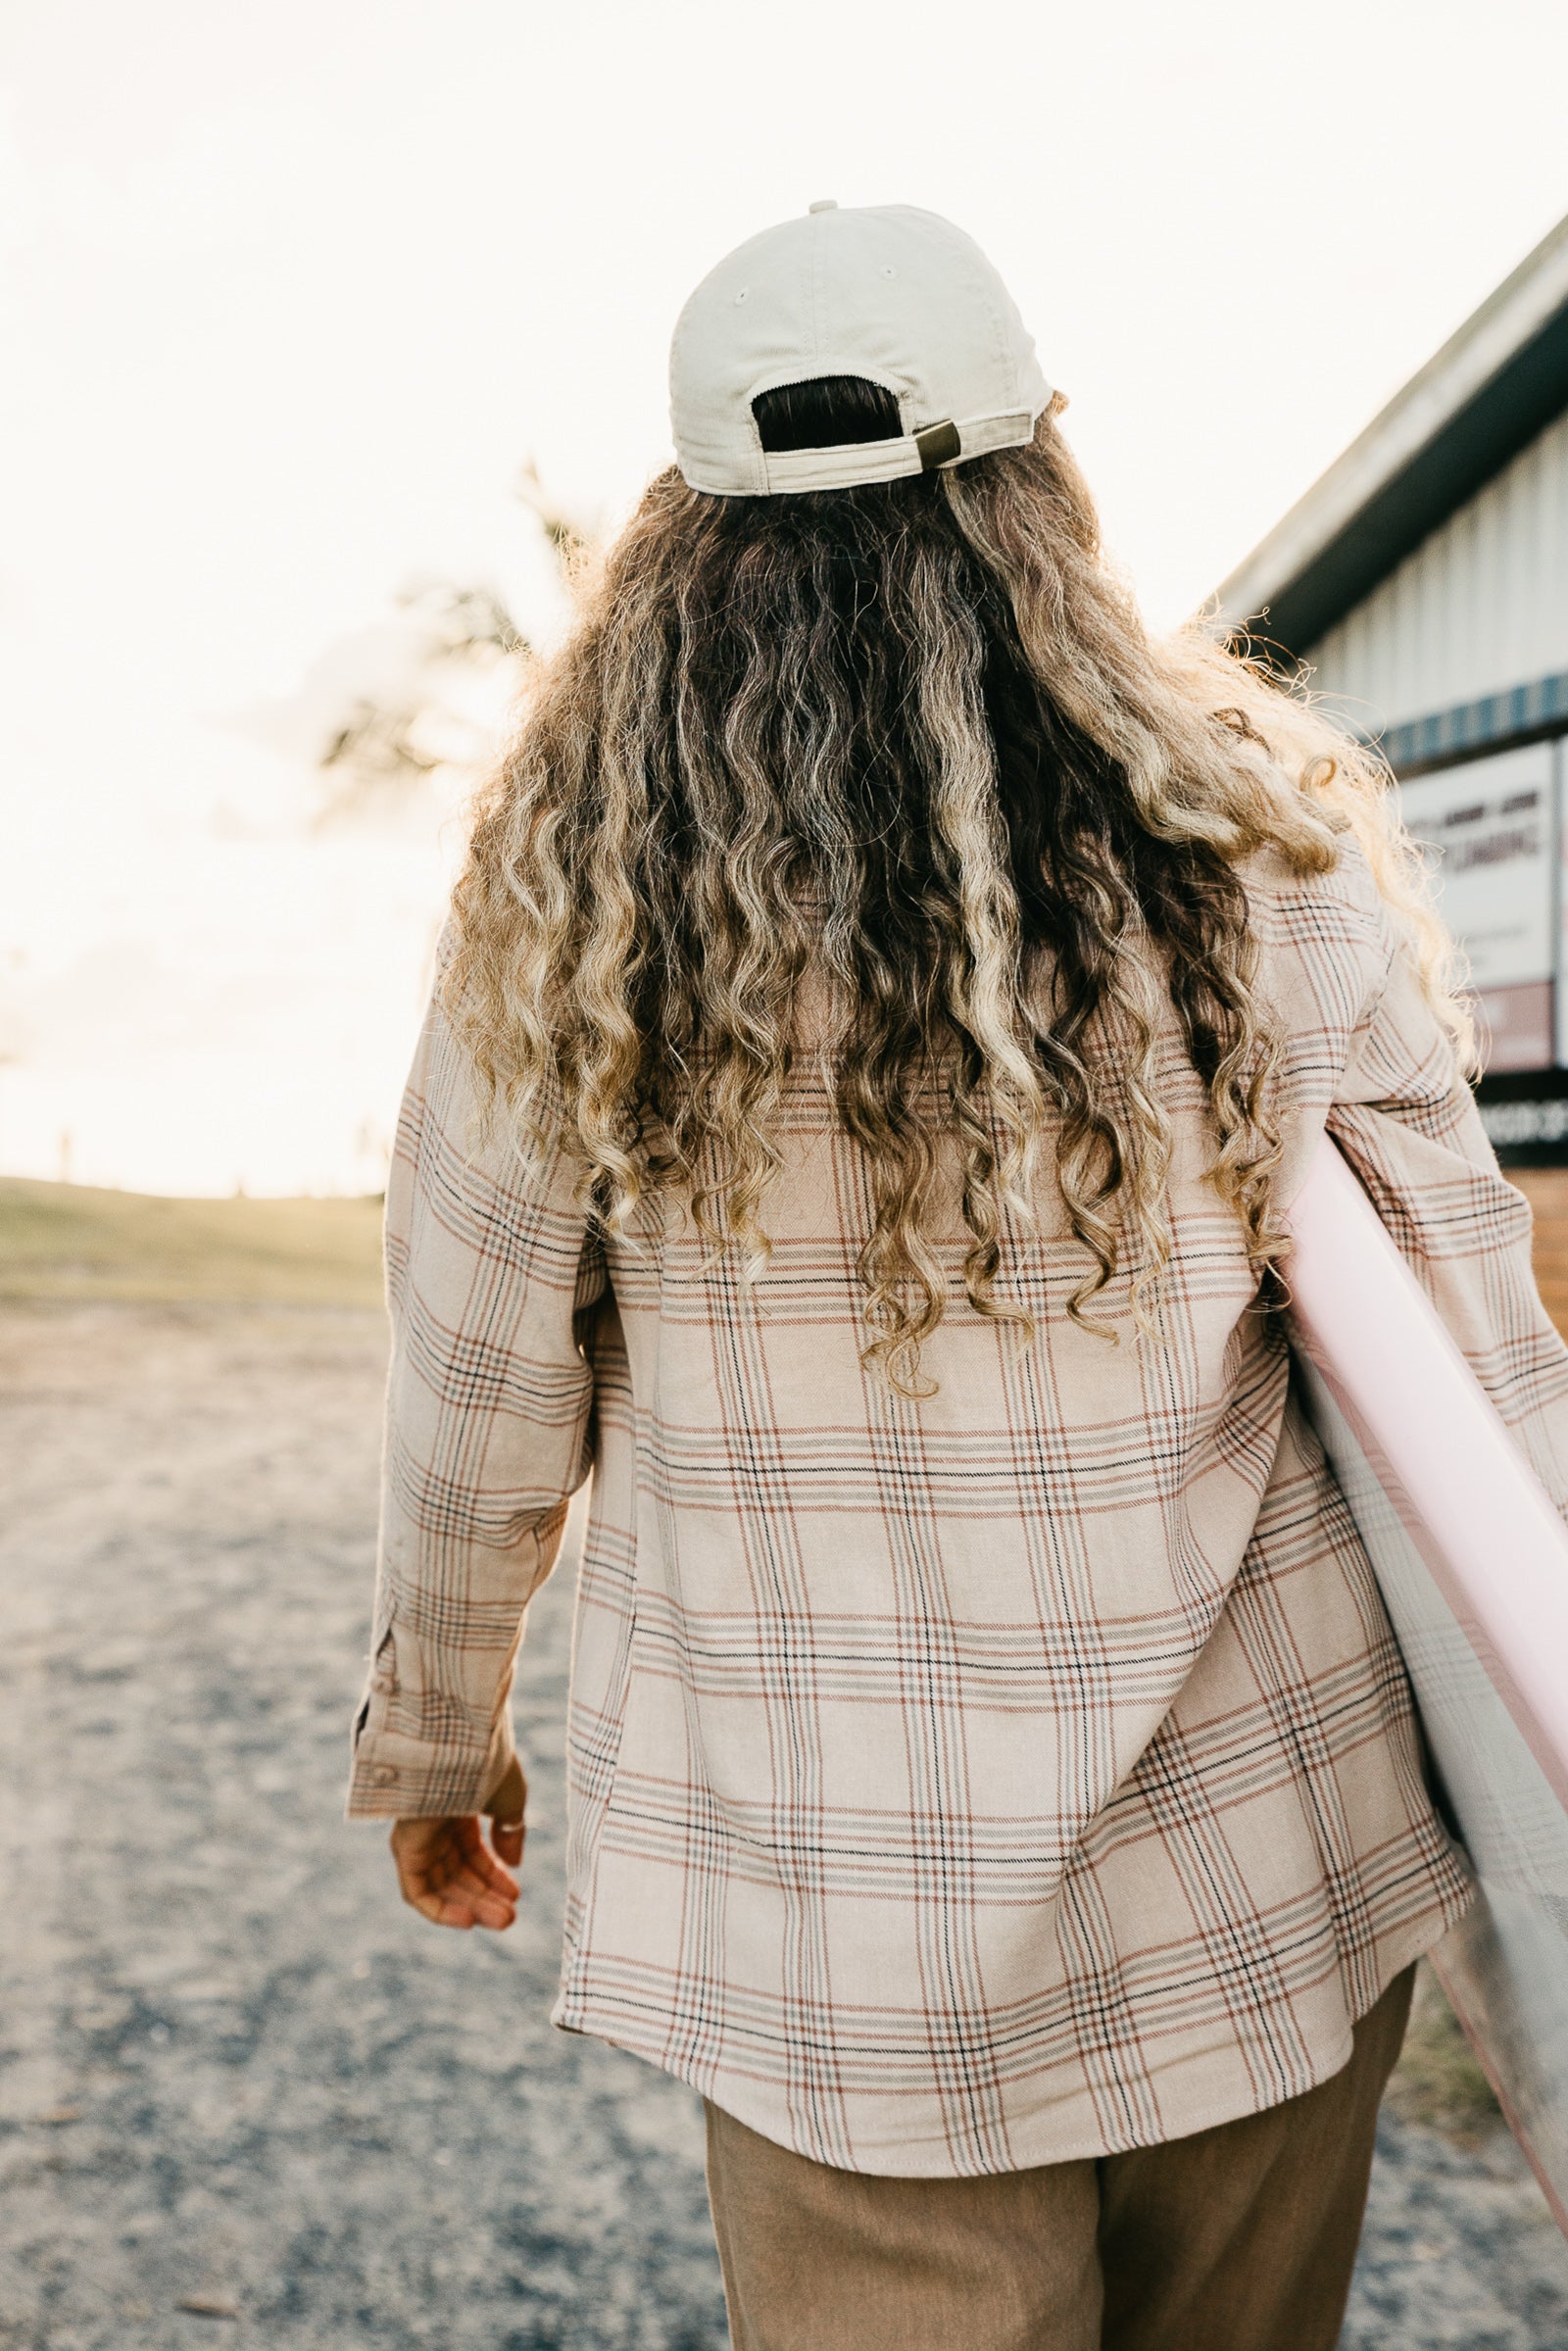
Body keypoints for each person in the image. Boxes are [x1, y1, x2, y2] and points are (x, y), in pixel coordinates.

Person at [346, 203, 1568, 2349]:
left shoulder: (567, 917)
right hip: (1259, 1894)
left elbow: (474, 1397)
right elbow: (1474, 1334)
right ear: (1041, 477)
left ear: (681, 527)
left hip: (848, 1981)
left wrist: (442, 1741)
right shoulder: (1246, 849)